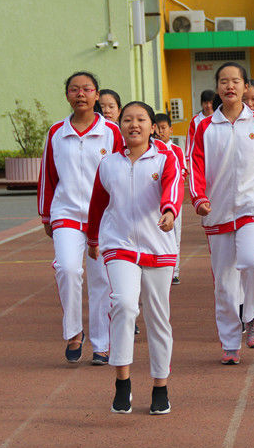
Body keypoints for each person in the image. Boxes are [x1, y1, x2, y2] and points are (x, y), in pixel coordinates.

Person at [188, 62, 254, 364]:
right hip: (218, 209)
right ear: (217, 87)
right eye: (223, 81)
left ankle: (252, 316)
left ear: (245, 86)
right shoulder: (203, 127)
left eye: (235, 81)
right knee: (224, 280)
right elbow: (195, 166)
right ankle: (229, 342)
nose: (229, 86)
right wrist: (199, 199)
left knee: (253, 259)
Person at [86, 101, 182, 415]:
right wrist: (93, 237)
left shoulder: (167, 158)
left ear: (152, 126)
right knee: (124, 304)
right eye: (127, 119)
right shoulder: (109, 163)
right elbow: (99, 204)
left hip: (158, 247)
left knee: (157, 317)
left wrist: (169, 211)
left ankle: (160, 385)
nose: (134, 125)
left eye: (141, 119)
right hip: (120, 244)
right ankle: (122, 382)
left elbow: (173, 189)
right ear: (120, 126)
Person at [38, 71, 123, 365]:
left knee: (102, 280)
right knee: (67, 269)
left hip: (104, 218)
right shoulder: (56, 133)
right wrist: (46, 214)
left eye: (87, 89)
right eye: (74, 89)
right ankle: (74, 332)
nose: (81, 94)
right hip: (66, 213)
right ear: (67, 96)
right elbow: (48, 176)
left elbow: (122, 174)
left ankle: (102, 344)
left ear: (97, 95)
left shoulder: (112, 132)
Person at [154, 113, 186, 284]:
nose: (160, 131)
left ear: (170, 129)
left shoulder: (176, 150)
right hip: (155, 201)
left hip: (174, 200)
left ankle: (174, 270)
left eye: (163, 128)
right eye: (157, 128)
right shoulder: (152, 149)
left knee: (175, 235)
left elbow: (182, 172)